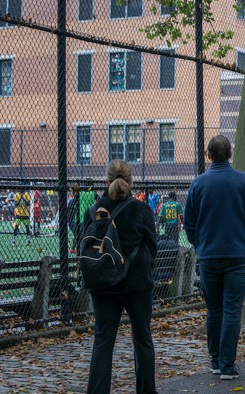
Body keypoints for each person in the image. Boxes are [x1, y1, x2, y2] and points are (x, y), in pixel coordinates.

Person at [184, 135, 245, 380]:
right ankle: (227, 364)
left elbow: (189, 223)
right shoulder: (244, 182)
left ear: (208, 155)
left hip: (209, 256)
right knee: (231, 310)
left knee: (214, 309)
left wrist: (201, 244)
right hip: (239, 255)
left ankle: (216, 361)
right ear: (230, 154)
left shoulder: (198, 184)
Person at [85, 160, 158, 394]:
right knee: (142, 339)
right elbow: (152, 247)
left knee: (103, 340)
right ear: (131, 181)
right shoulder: (142, 210)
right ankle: (146, 390)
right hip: (137, 283)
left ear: (106, 181)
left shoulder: (93, 212)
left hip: (104, 282)